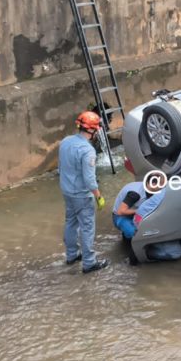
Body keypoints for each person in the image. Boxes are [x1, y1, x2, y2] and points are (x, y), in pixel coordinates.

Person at [59, 110, 109, 274]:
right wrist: (98, 195)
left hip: (67, 191)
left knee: (71, 222)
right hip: (81, 194)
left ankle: (72, 255)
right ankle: (89, 263)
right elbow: (89, 180)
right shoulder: (88, 151)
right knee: (87, 227)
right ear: (91, 130)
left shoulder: (66, 141)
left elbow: (62, 167)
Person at [111, 171, 166, 240]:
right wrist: (140, 210)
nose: (163, 187)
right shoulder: (134, 194)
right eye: (162, 185)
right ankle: (127, 238)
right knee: (133, 233)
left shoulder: (149, 187)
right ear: (153, 184)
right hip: (121, 216)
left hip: (135, 210)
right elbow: (120, 211)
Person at [133, 187, 181, 261]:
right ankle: (143, 252)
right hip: (145, 223)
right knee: (175, 253)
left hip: (147, 217)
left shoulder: (171, 190)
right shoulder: (169, 196)